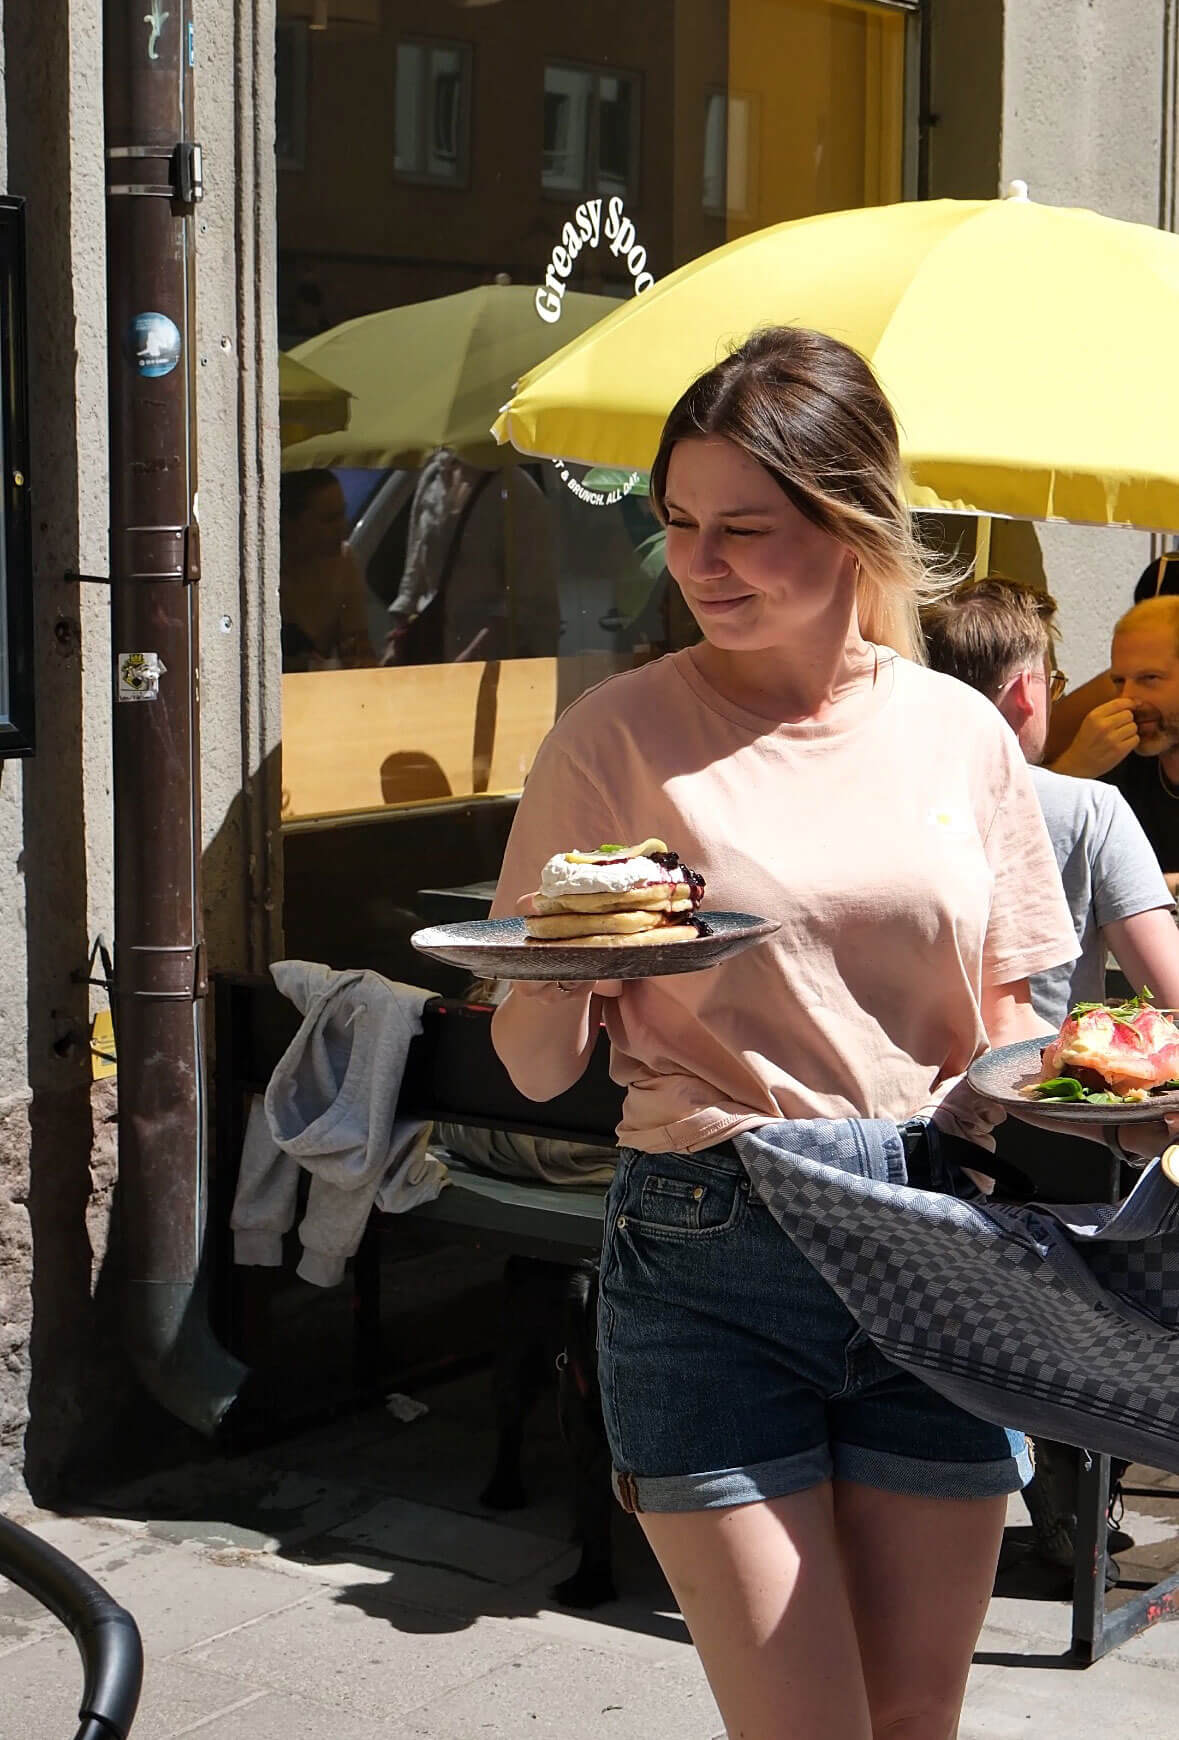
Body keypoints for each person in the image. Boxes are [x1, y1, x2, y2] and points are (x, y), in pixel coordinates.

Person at [485, 326, 1120, 1740]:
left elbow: (1015, 1014)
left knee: (910, 1725)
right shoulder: (612, 736)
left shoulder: (957, 732)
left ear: (850, 528)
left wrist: (1070, 1103)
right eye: (678, 526)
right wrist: (566, 958)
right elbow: (534, 1067)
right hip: (711, 1242)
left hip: (937, 1243)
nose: (698, 564)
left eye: (743, 529)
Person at [920, 578, 1179, 1027]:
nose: (1128, 700)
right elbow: (1171, 996)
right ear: (1025, 692)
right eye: (1118, 681)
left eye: (1150, 678)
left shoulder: (865, 791)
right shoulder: (1092, 806)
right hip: (1038, 1081)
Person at [279, 469, 374, 671]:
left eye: (343, 514)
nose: (343, 527)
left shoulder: (343, 562)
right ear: (290, 524)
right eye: (329, 519)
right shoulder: (263, 570)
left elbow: (359, 653)